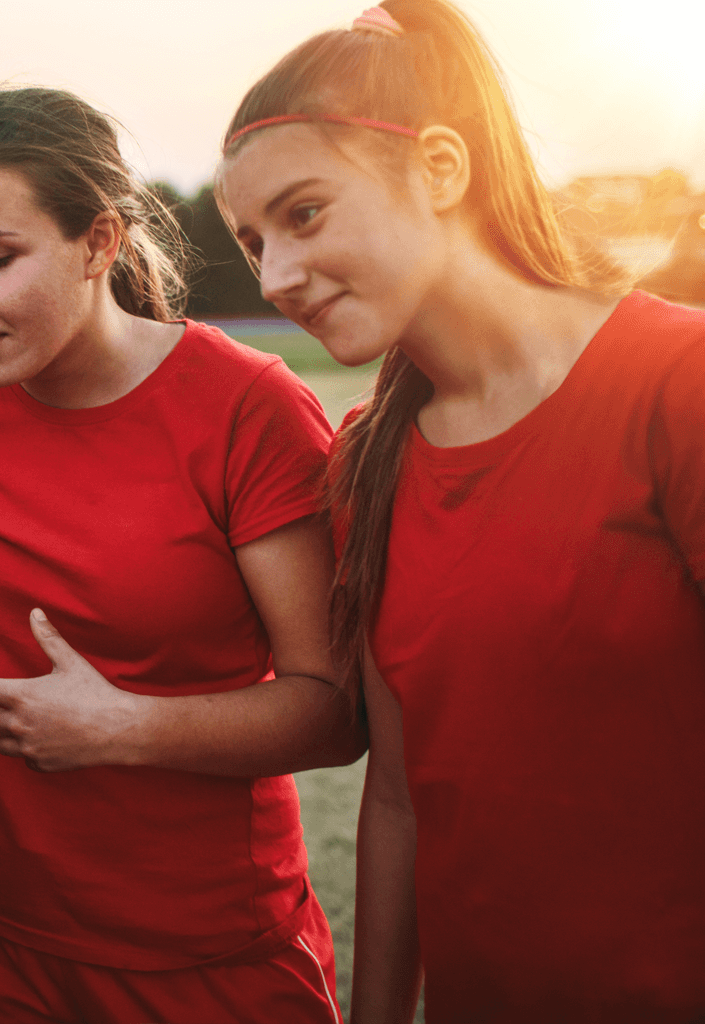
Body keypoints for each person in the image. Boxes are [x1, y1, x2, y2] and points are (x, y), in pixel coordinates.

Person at [216, 3, 705, 1021]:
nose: (277, 277)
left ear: (441, 168)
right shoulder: (366, 460)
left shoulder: (676, 381)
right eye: (252, 242)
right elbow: (396, 798)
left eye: (304, 215)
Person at [0, 86, 363, 1024]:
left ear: (99, 243)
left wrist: (123, 727)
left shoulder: (248, 410)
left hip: (203, 953)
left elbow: (333, 710)